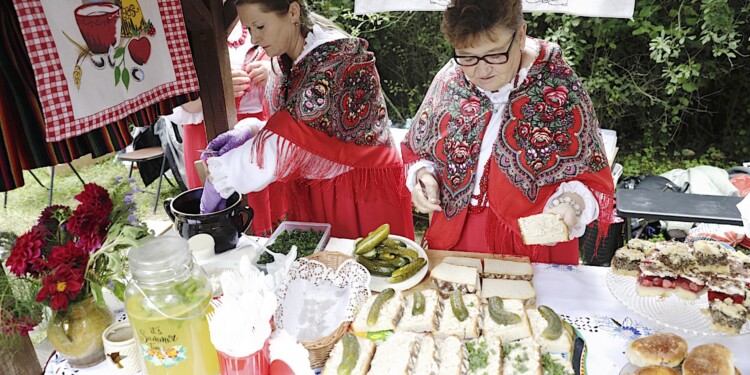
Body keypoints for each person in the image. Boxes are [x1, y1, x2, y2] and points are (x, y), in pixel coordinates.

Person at [401, 0, 614, 264]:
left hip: (533, 245)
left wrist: (570, 205)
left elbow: (591, 178)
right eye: (467, 57)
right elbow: (418, 149)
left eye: (495, 54)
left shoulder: (560, 87)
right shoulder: (451, 77)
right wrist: (422, 176)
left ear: (521, 35)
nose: (481, 70)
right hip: (457, 237)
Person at [201, 0, 415, 239]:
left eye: (260, 26)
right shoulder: (286, 62)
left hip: (360, 193)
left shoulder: (337, 59)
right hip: (320, 189)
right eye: (249, 29)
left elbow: (289, 141)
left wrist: (221, 177)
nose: (253, 39)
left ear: (293, 12)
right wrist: (252, 129)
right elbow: (294, 127)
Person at [167, 21, 271, 190]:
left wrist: (270, 70)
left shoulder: (255, 12)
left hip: (258, 130)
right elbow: (174, 97)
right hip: (207, 129)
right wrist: (215, 90)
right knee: (218, 202)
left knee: (261, 199)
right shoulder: (180, 23)